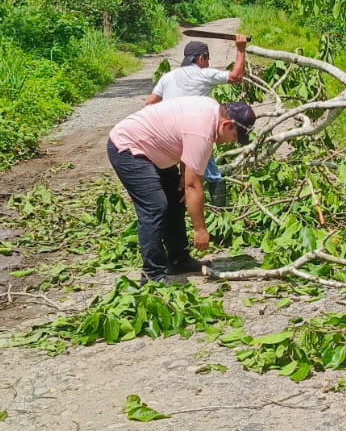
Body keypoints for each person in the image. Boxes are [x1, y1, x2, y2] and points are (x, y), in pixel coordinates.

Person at [106, 96, 256, 281]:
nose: (232, 142)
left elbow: (187, 153)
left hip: (154, 149)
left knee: (176, 198)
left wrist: (184, 176)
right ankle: (152, 274)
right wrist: (200, 230)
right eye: (234, 137)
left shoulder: (211, 111)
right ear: (226, 125)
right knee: (155, 207)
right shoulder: (203, 132)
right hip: (128, 147)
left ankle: (178, 260)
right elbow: (194, 186)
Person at [147, 34, 249, 199]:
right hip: (195, 132)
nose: (208, 64)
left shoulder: (168, 77)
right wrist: (241, 49)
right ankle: (220, 210)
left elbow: (150, 103)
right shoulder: (204, 74)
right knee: (211, 173)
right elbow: (236, 76)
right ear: (202, 58)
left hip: (169, 134)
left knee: (176, 173)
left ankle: (180, 201)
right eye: (207, 60)